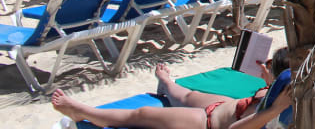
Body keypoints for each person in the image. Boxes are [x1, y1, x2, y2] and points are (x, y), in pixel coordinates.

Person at [51, 51, 292, 129]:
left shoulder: (276, 107)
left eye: (268, 66)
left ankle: (81, 112)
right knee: (184, 94)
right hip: (230, 105)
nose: (263, 68)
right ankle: (166, 82)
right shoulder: (283, 91)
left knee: (141, 114)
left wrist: (273, 110)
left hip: (209, 121)